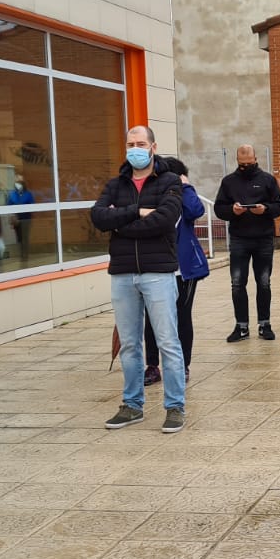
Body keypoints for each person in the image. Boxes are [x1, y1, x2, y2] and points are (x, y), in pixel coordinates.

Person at [91, 126, 187, 433]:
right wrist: (136, 211)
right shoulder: (115, 184)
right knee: (130, 345)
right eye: (131, 143)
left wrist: (120, 224)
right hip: (122, 274)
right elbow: (98, 217)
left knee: (168, 342)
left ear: (153, 147)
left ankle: (174, 407)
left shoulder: (170, 181)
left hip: (157, 273)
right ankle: (132, 405)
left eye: (141, 143)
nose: (135, 148)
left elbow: (165, 219)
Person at [145, 158, 209, 385]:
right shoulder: (153, 196)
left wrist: (186, 185)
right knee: (152, 319)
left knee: (182, 317)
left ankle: (183, 366)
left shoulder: (182, 195)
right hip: (154, 266)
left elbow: (196, 210)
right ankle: (152, 366)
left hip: (184, 269)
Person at [213, 145, 280, 342]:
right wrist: (232, 210)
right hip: (238, 238)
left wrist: (266, 209)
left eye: (249, 162)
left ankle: (265, 324)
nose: (246, 166)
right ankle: (241, 326)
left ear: (255, 158)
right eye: (242, 163)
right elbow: (219, 208)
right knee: (237, 283)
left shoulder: (267, 180)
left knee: (264, 282)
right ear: (237, 160)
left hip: (263, 238)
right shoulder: (228, 182)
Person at [7, 176, 35, 265]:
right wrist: (12, 217)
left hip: (26, 219)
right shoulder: (12, 194)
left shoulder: (28, 194)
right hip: (16, 219)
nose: (18, 184)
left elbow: (32, 205)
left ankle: (25, 256)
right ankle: (21, 254)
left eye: (20, 182)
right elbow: (8, 205)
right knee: (19, 238)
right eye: (16, 182)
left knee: (25, 238)